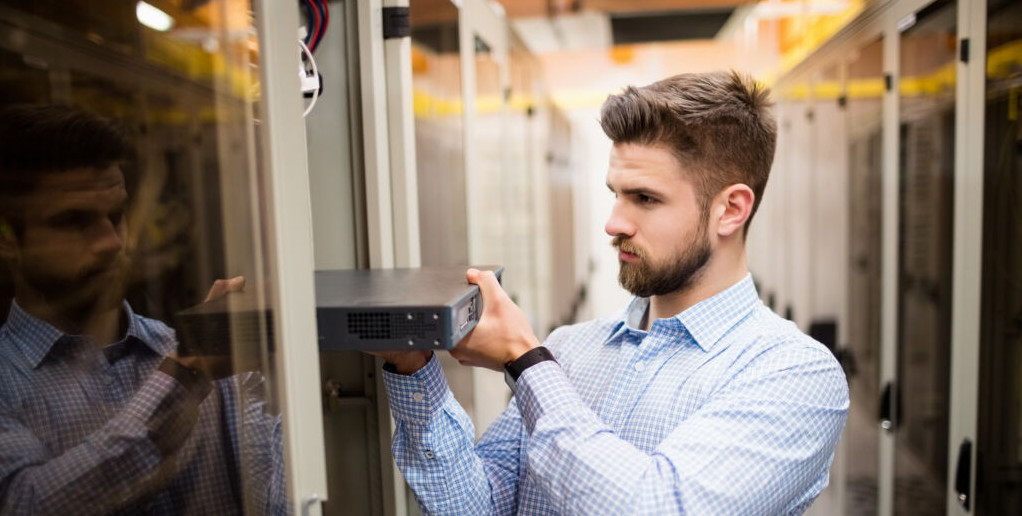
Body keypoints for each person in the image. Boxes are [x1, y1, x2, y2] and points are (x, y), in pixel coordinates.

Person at [376, 71, 850, 514]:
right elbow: (477, 506)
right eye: (615, 194)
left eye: (645, 198)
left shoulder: (794, 375)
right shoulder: (568, 351)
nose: (614, 223)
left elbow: (655, 506)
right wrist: (414, 368)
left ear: (731, 210)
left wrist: (525, 362)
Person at [0, 104, 285, 514]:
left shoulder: (203, 363)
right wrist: (187, 374)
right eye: (75, 221)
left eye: (116, 217)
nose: (112, 242)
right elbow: (26, 504)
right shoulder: (7, 386)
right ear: (7, 238)